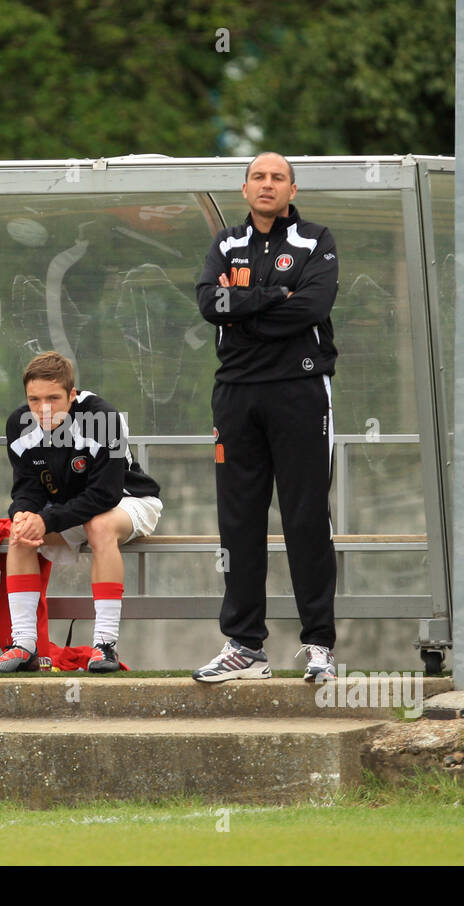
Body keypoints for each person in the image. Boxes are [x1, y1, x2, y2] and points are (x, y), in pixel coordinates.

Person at [192, 151, 341, 683]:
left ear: (292, 190)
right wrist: (275, 295)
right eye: (259, 176)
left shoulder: (315, 240)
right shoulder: (225, 243)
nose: (268, 184)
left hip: (300, 389)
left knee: (304, 518)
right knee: (239, 521)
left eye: (278, 177)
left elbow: (311, 308)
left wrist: (248, 307)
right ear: (244, 187)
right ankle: (246, 647)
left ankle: (319, 643)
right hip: (235, 394)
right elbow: (210, 303)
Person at [0, 351, 162, 673]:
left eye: (54, 398)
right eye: (34, 400)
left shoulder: (104, 417)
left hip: (128, 501)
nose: (44, 408)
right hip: (70, 510)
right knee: (20, 531)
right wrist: (23, 513)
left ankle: (104, 645)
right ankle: (23, 645)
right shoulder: (19, 424)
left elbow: (105, 495)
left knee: (99, 526)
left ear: (72, 395)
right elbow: (27, 487)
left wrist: (47, 520)